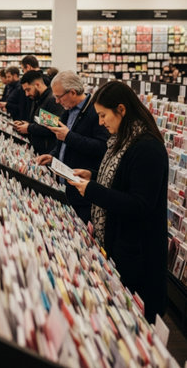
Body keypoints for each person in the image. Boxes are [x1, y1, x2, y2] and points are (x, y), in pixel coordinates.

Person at [68, 81, 168, 323]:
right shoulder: (122, 141)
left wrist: (92, 190)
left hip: (138, 255)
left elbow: (140, 204)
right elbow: (122, 180)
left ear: (121, 110)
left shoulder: (146, 148)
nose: (101, 123)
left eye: (103, 115)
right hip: (122, 246)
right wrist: (94, 176)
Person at [36, 70, 108, 223]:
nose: (56, 101)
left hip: (83, 193)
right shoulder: (67, 110)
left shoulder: (95, 112)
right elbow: (62, 142)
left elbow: (102, 148)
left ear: (73, 92)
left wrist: (69, 137)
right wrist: (53, 155)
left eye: (58, 96)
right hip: (65, 187)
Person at [14, 70, 63, 154]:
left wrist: (29, 128)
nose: (26, 94)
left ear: (37, 85)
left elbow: (53, 127)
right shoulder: (37, 99)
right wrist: (26, 124)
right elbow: (40, 122)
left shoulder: (52, 100)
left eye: (28, 90)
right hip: (39, 150)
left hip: (47, 152)